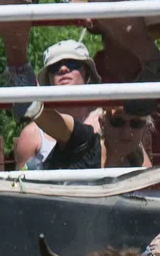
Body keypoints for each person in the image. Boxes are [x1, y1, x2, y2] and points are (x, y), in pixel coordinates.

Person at [15, 39, 105, 170]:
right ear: (48, 79)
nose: (63, 69)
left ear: (87, 72)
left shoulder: (113, 120)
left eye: (72, 63)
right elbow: (19, 186)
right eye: (54, 67)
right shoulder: (32, 135)